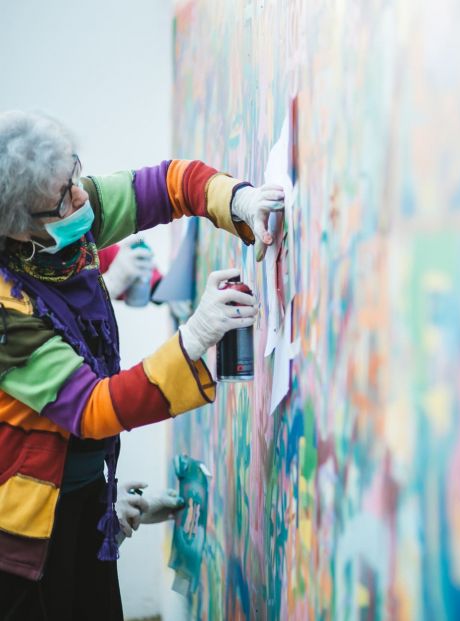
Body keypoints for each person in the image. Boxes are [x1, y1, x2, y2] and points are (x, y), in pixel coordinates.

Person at [0, 110, 284, 619]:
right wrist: (193, 338)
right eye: (63, 196)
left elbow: (168, 185)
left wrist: (238, 200)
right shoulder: (7, 313)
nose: (82, 196)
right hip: (25, 539)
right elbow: (91, 407)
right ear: (22, 232)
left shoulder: (69, 220)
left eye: (74, 173)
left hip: (84, 492)